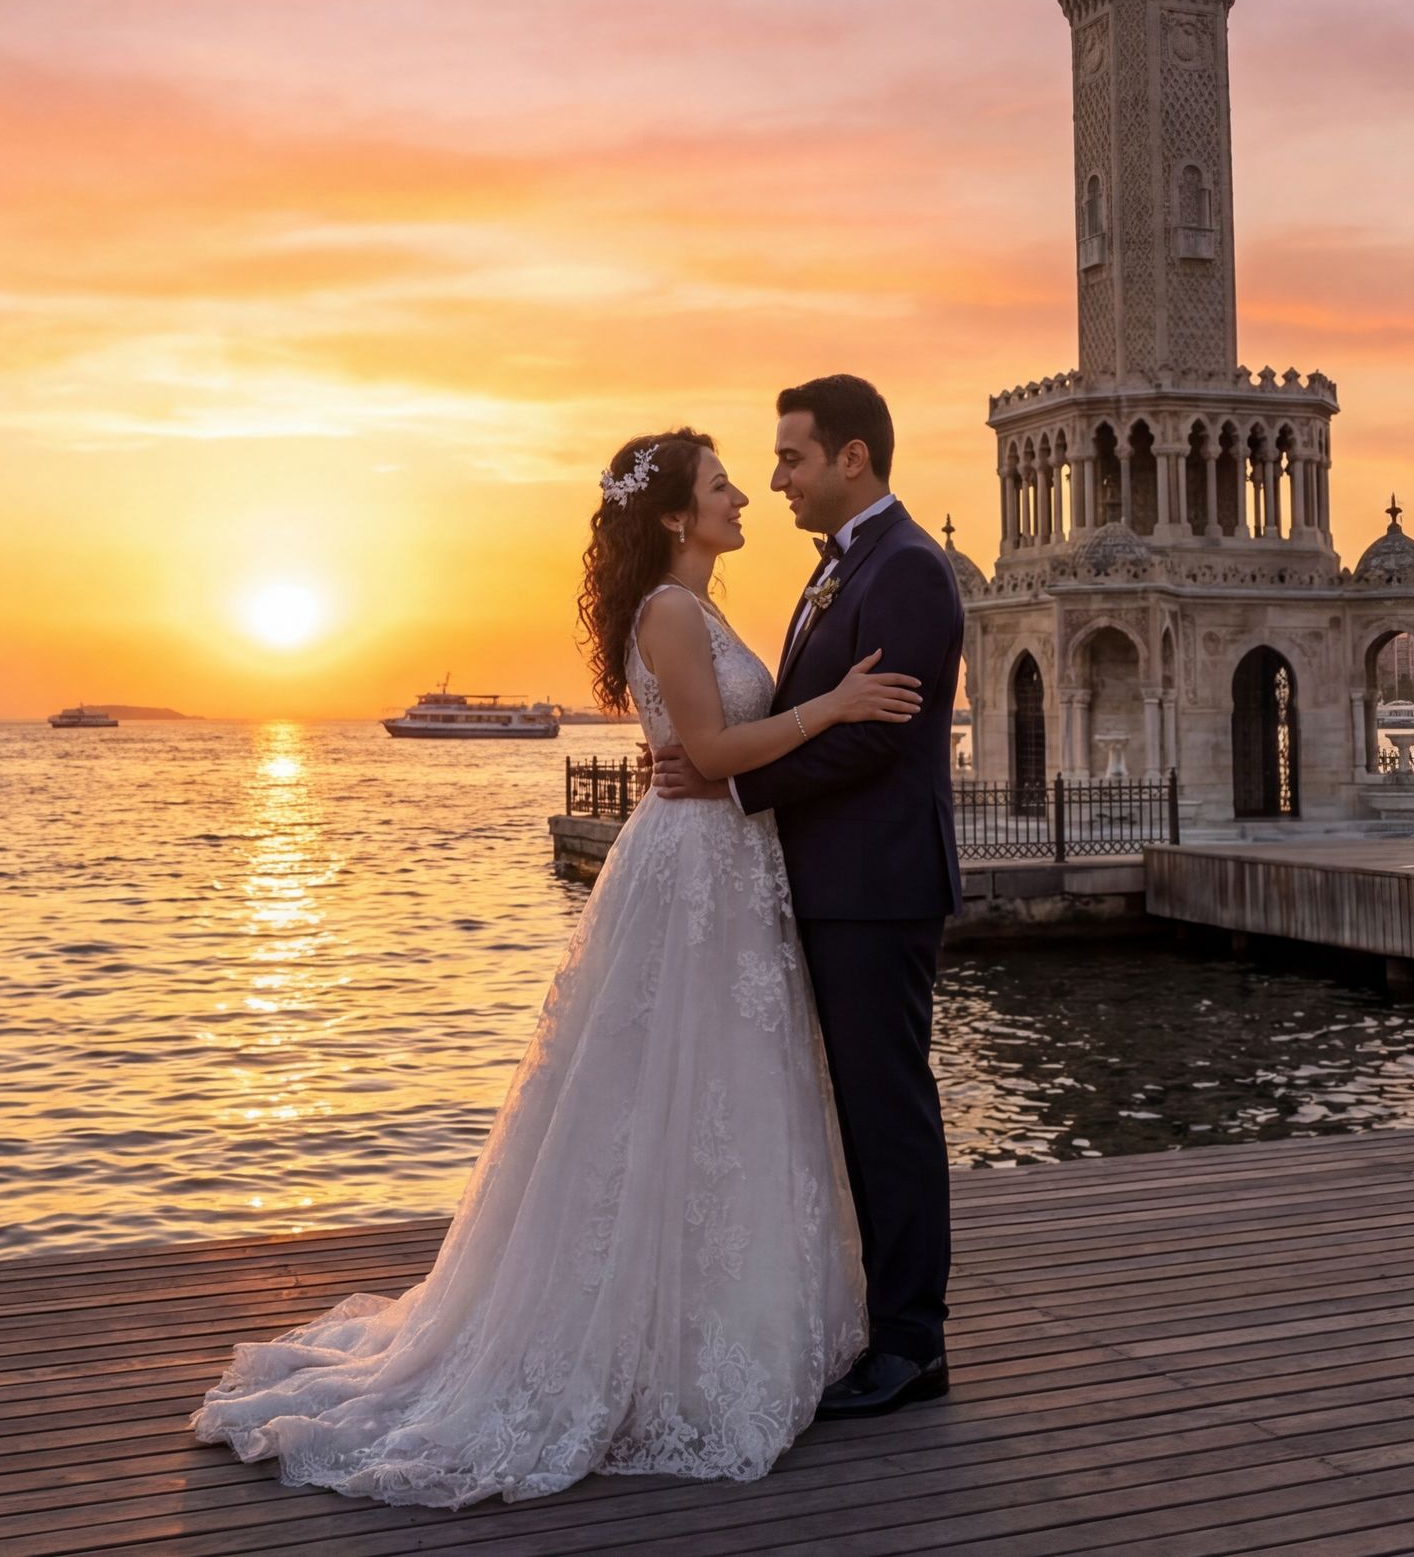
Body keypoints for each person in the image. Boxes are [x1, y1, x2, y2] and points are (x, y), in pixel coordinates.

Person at [190, 427, 921, 1507]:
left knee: (714, 1089)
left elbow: (700, 741)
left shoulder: (697, 610)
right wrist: (836, 706)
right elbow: (713, 755)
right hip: (696, 865)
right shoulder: (673, 611)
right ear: (675, 515)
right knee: (676, 1087)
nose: (744, 499)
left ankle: (715, 1327)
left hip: (725, 865)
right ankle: (648, 1343)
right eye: (723, 486)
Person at [650, 374, 966, 1419]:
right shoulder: (837, 571)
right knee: (853, 1110)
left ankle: (913, 1342)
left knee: (888, 1110)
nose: (773, 479)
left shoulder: (909, 570)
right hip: (826, 882)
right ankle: (870, 1325)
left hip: (876, 887)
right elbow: (806, 714)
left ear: (852, 459)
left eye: (789, 457)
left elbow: (875, 736)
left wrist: (734, 780)